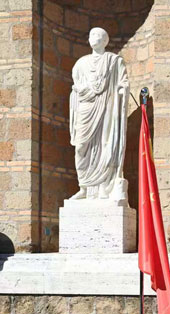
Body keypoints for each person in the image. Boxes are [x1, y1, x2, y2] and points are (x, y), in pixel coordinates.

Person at [69, 27, 129, 201]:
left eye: (98, 35)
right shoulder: (80, 64)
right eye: (91, 35)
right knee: (81, 146)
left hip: (107, 108)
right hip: (86, 108)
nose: (94, 38)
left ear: (105, 41)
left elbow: (123, 82)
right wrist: (82, 90)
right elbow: (76, 86)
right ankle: (83, 186)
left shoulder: (114, 61)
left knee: (105, 144)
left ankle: (104, 186)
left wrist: (122, 90)